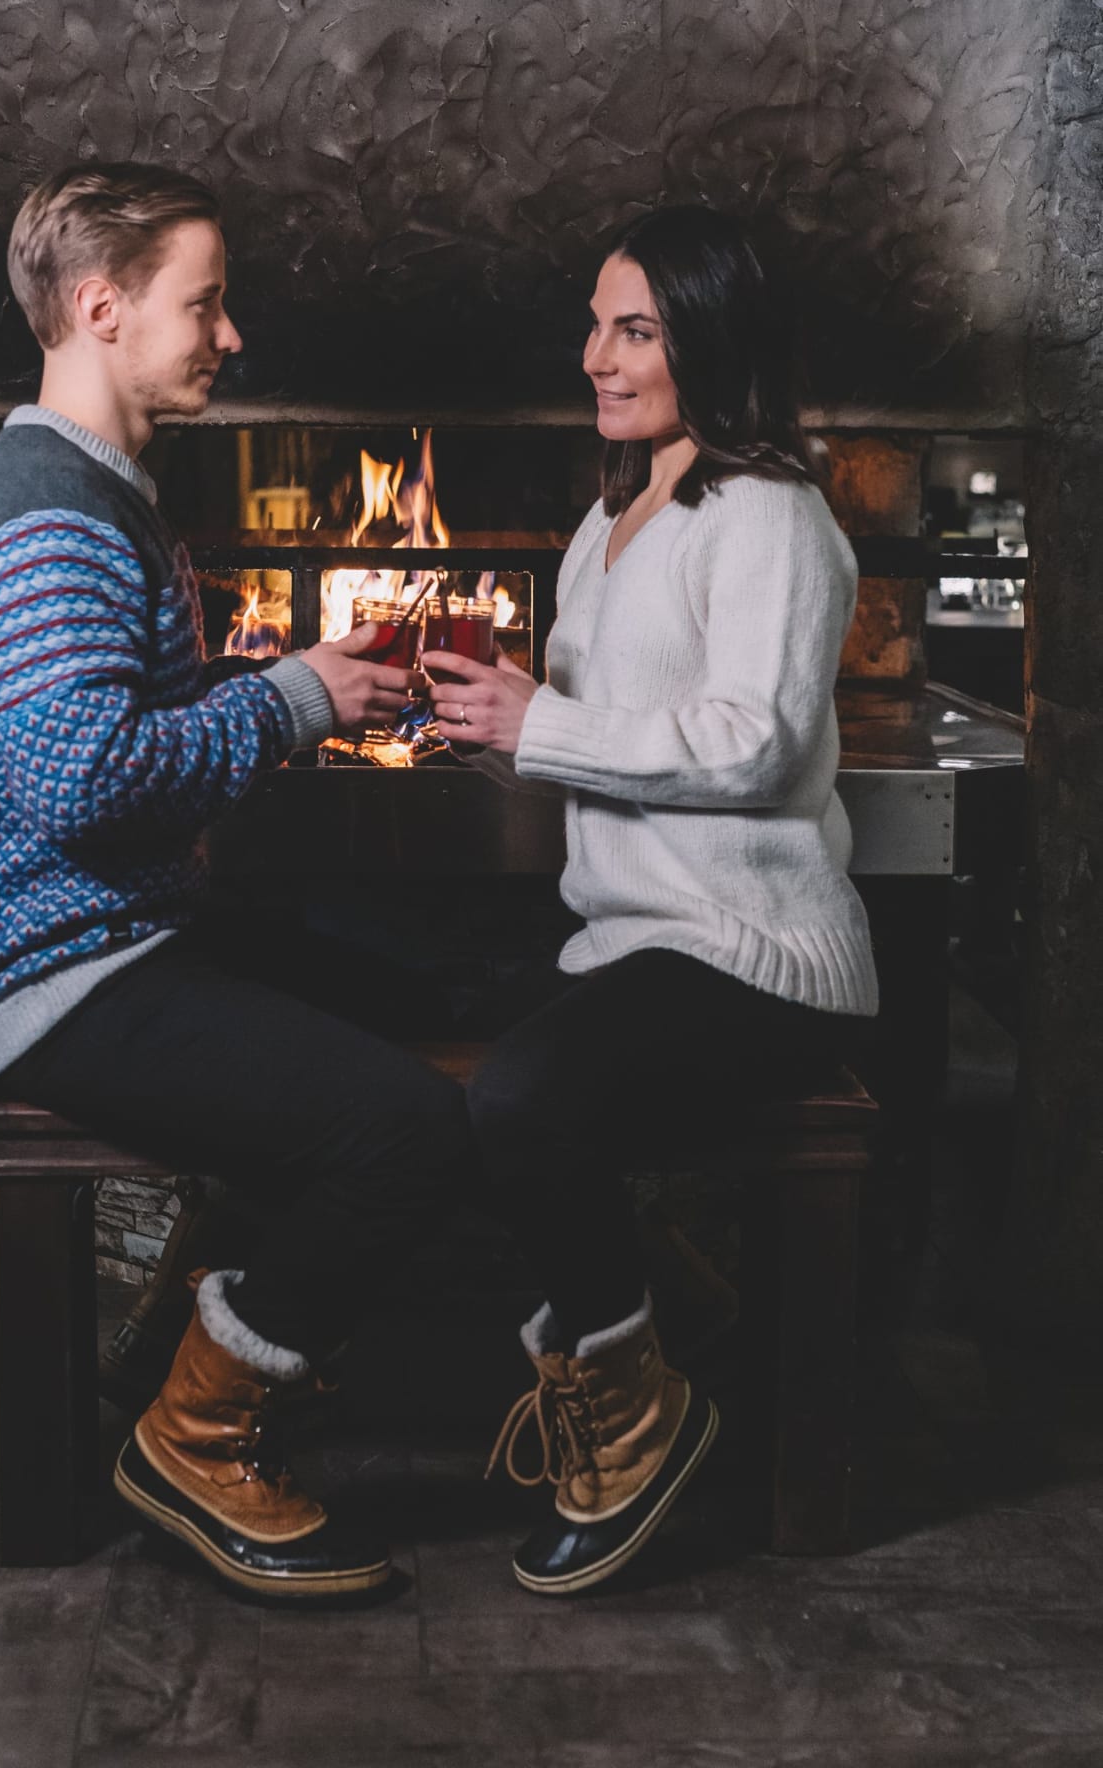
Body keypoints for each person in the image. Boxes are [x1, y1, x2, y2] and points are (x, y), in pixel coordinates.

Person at [0, 162, 470, 1601]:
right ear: (102, 310)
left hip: (103, 940)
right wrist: (287, 699)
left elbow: (99, 722)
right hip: (48, 977)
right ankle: (196, 1435)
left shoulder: (82, 487)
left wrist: (296, 683)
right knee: (404, 1129)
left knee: (414, 1006)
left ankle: (182, 1339)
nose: (232, 337)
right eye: (206, 303)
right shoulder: (49, 510)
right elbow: (83, 777)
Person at [424, 206, 879, 1597]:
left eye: (636, 330)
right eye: (597, 326)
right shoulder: (606, 521)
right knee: (388, 1026)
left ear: (710, 342)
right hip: (628, 946)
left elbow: (752, 743)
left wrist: (541, 727)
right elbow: (592, 736)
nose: (598, 358)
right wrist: (477, 722)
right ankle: (684, 1313)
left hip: (755, 959)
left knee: (520, 1100)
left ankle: (632, 1419)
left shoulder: (769, 516)